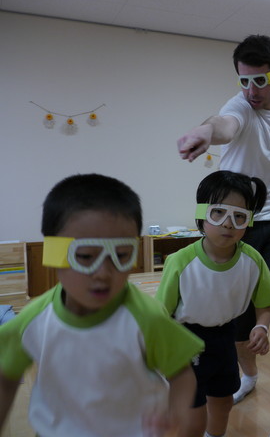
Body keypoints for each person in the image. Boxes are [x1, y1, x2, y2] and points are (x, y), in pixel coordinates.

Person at [177, 34, 270, 437]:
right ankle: (248, 376)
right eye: (243, 81)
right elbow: (224, 125)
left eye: (260, 81)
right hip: (237, 222)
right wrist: (204, 131)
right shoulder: (239, 107)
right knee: (235, 316)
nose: (251, 91)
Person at [0, 173, 204, 437]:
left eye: (121, 255)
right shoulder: (34, 320)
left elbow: (181, 373)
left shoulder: (147, 317)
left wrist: (175, 412)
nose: (103, 273)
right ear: (53, 253)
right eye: (85, 256)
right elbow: (6, 377)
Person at [156, 170, 270, 437]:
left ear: (249, 221)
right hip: (186, 341)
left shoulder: (253, 260)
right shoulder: (180, 261)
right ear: (202, 215)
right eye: (219, 213)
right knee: (193, 411)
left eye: (239, 216)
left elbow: (265, 303)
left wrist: (261, 327)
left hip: (226, 337)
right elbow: (161, 313)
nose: (228, 224)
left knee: (223, 401)